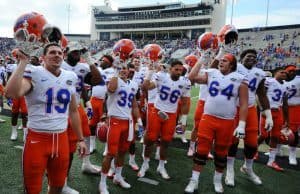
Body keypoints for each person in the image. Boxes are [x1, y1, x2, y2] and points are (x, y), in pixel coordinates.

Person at [4, 43, 87, 194]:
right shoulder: (34, 72)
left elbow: (73, 110)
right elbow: (10, 93)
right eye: (52, 52)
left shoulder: (70, 76)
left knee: (57, 186)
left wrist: (81, 139)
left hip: (62, 140)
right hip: (37, 139)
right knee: (33, 189)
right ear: (43, 57)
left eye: (59, 53)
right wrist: (23, 62)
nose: (57, 55)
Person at [185, 53, 248, 193]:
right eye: (221, 60)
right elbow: (191, 77)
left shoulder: (240, 79)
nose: (220, 62)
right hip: (208, 118)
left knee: (221, 153)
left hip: (227, 121)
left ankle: (217, 180)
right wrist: (202, 59)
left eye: (224, 60)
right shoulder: (212, 73)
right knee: (201, 151)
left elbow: (243, 104)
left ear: (232, 64)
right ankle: (194, 180)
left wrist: (242, 124)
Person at [225, 49, 273, 187]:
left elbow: (262, 94)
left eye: (254, 57)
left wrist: (268, 115)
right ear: (241, 58)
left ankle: (248, 167)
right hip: (234, 107)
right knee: (232, 141)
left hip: (251, 109)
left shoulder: (259, 73)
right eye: (248, 56)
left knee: (252, 143)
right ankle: (230, 170)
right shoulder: (234, 67)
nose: (251, 58)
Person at [61, 41, 103, 193]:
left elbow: (96, 81)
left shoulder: (83, 67)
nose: (77, 55)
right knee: (67, 146)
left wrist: (88, 103)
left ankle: (86, 164)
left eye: (79, 52)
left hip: (77, 106)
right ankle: (62, 181)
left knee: (85, 135)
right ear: (66, 52)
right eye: (74, 52)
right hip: (61, 109)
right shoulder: (60, 65)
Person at [138, 60, 191, 179]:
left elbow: (185, 103)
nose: (178, 72)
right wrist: (150, 72)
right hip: (157, 111)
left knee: (166, 141)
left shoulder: (185, 82)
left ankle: (161, 166)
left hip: (171, 115)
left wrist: (183, 122)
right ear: (170, 69)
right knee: (151, 138)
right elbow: (145, 87)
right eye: (176, 69)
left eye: (180, 70)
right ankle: (145, 164)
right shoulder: (161, 76)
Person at [99, 63, 141, 194]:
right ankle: (102, 183)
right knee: (110, 153)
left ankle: (118, 176)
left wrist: (138, 120)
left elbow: (134, 105)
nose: (123, 70)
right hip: (115, 120)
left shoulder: (133, 84)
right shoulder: (114, 80)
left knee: (123, 151)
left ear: (129, 71)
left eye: (125, 69)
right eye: (120, 68)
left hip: (127, 121)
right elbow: (111, 90)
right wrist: (116, 74)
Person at [258, 67, 289, 171]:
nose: (284, 74)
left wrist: (286, 119)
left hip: (278, 111)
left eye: (285, 73)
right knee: (263, 135)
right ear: (275, 73)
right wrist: (262, 108)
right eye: (282, 72)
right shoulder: (268, 81)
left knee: (275, 136)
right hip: (267, 111)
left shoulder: (285, 84)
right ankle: (252, 152)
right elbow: (261, 94)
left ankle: (271, 161)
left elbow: (285, 102)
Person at [283, 65, 299, 165]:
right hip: (281, 108)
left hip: (295, 108)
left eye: (293, 71)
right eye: (290, 71)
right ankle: (276, 150)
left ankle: (292, 154)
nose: (292, 72)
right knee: (278, 130)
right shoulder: (281, 80)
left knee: (293, 132)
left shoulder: (298, 80)